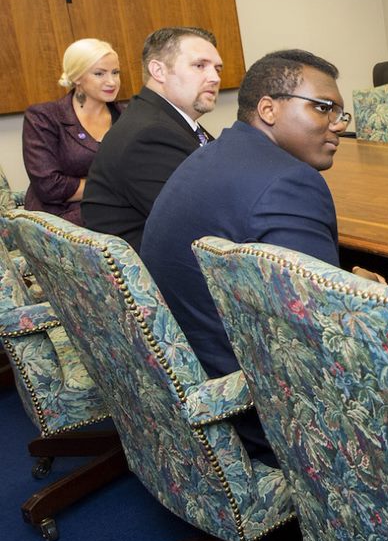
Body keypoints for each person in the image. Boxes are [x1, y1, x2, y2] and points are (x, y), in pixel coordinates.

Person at [140, 49, 352, 458]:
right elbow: (323, 330)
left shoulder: (208, 155)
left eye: (340, 113)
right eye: (323, 108)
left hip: (189, 382)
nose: (337, 125)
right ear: (269, 109)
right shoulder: (291, 183)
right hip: (256, 408)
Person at [82, 27, 222, 250]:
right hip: (159, 276)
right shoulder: (149, 134)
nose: (214, 78)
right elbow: (205, 224)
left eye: (217, 68)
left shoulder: (163, 118)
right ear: (159, 71)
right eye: (199, 66)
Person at [21, 39, 124, 224]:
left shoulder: (127, 116)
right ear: (77, 77)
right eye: (99, 73)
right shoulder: (44, 117)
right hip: (59, 222)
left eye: (115, 72)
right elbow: (49, 186)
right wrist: (115, 186)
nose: (112, 82)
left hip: (117, 210)